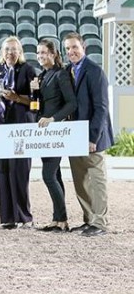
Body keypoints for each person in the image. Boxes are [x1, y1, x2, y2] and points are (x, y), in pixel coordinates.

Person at [63, 32, 114, 237]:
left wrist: (93, 137)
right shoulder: (68, 71)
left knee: (96, 180)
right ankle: (89, 219)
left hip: (92, 137)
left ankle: (100, 222)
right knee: (80, 180)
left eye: (74, 47)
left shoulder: (94, 71)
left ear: (83, 47)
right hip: (74, 136)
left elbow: (101, 108)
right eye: (67, 49)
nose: (71, 52)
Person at [30, 39, 77, 232]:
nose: (40, 56)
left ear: (53, 54)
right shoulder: (43, 75)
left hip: (56, 131)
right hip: (44, 133)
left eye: (44, 53)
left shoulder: (61, 75)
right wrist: (35, 92)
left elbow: (71, 103)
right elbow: (40, 103)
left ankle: (63, 218)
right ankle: (58, 220)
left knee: (48, 175)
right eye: (38, 53)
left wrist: (53, 119)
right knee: (55, 174)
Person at [0, 36, 37, 229]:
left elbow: (35, 101)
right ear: (2, 51)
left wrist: (16, 97)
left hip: (21, 125)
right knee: (4, 170)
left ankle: (24, 217)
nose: (10, 53)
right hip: (2, 124)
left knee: (20, 171)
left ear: (20, 52)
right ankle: (8, 217)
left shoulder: (28, 70)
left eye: (14, 49)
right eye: (7, 49)